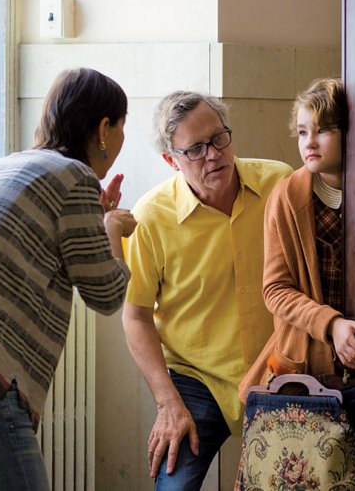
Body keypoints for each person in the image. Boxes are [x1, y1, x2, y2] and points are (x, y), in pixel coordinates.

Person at [0, 67, 136, 490]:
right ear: (104, 128)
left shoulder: (6, 165)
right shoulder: (76, 177)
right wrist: (111, 228)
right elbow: (107, 294)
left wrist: (95, 218)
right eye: (123, 126)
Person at [121, 91, 292, 489]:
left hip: (280, 365)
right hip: (198, 378)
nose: (213, 155)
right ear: (171, 160)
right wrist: (168, 402)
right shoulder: (150, 218)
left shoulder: (279, 183)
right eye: (195, 149)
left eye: (218, 138)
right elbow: (136, 315)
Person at [238, 77, 355, 490]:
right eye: (302, 131)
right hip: (307, 372)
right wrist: (332, 325)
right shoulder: (286, 197)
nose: (310, 142)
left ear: (353, 131)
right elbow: (275, 290)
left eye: (323, 130)